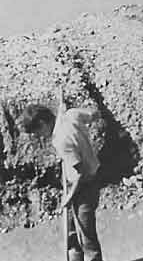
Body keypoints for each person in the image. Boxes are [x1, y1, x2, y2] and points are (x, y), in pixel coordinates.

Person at [21, 89, 103, 261]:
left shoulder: (60, 140)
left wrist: (69, 197)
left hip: (83, 187)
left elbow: (80, 174)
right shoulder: (71, 115)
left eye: (38, 132)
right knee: (71, 233)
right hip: (89, 176)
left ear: (43, 123)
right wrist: (69, 119)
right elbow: (94, 114)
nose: (40, 137)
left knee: (87, 239)